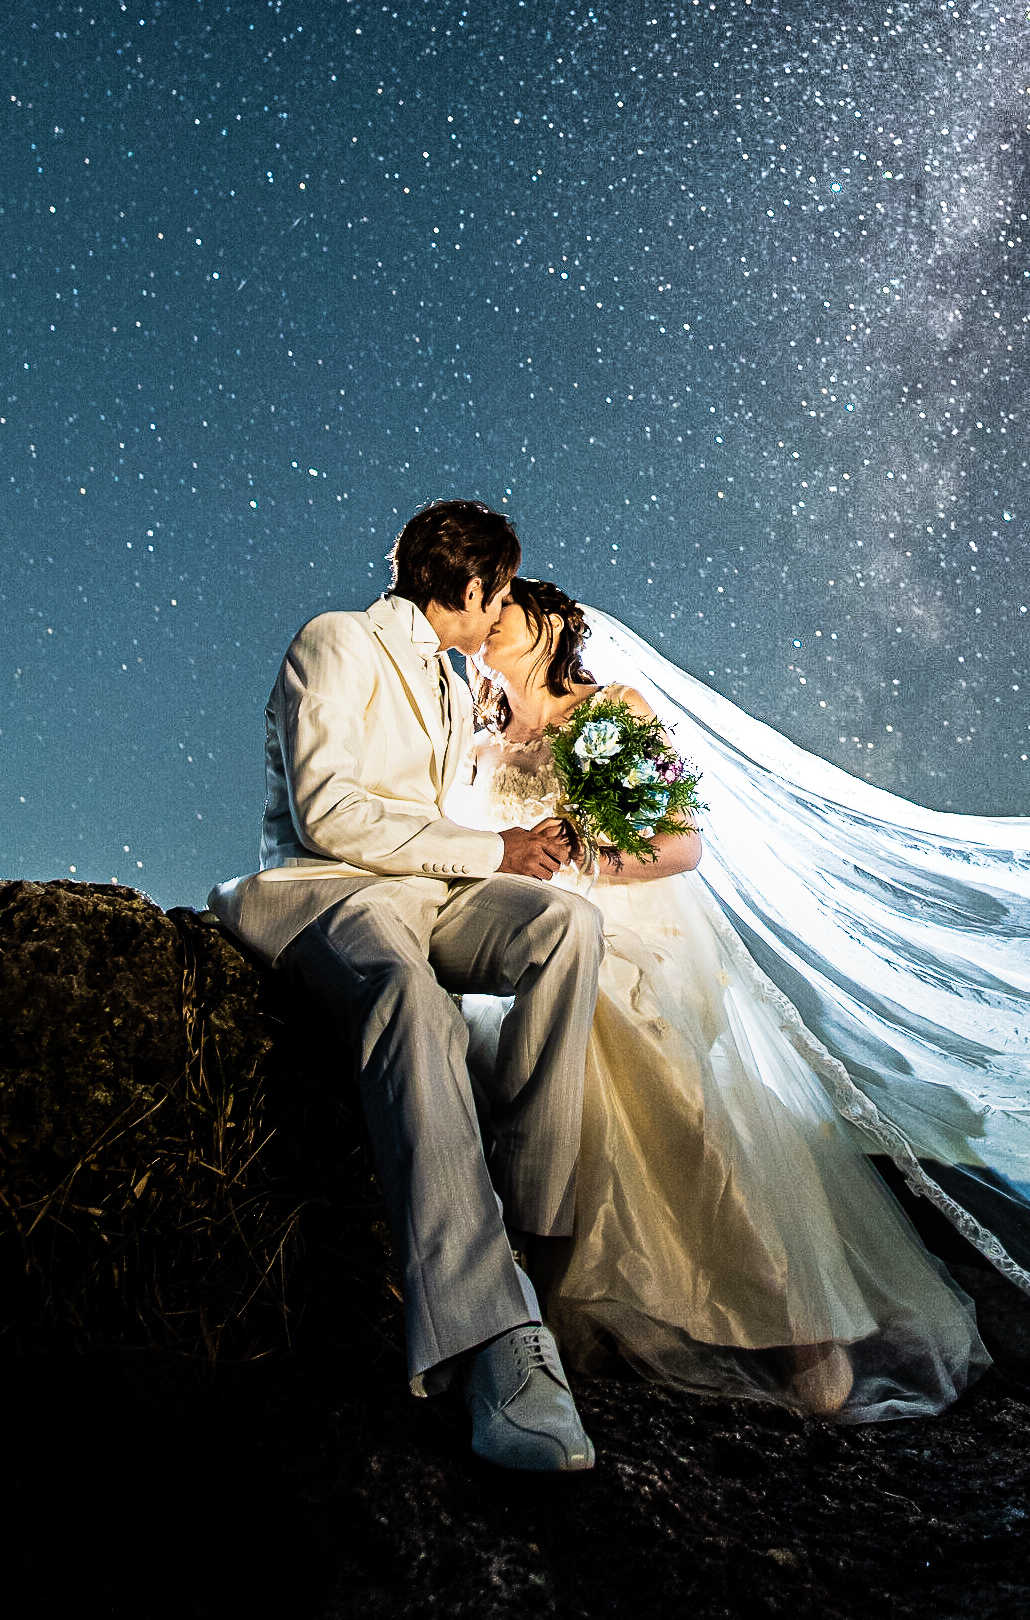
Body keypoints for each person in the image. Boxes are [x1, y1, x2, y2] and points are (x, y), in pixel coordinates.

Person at [449, 577, 989, 1422]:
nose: (485, 626)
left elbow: (681, 842)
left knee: (609, 1021)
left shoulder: (610, 711)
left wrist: (581, 863)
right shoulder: (476, 731)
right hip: (531, 926)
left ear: (552, 625)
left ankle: (792, 1324)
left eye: (506, 612)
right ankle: (596, 1302)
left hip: (634, 927)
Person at [209, 502, 603, 1473]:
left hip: (423, 889)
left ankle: (526, 1234)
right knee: (410, 996)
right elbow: (330, 810)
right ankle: (487, 1340)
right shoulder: (333, 642)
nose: (503, 609)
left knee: (565, 927)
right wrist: (495, 848)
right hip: (331, 891)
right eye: (500, 593)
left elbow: (450, 794)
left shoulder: (457, 675)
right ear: (470, 588)